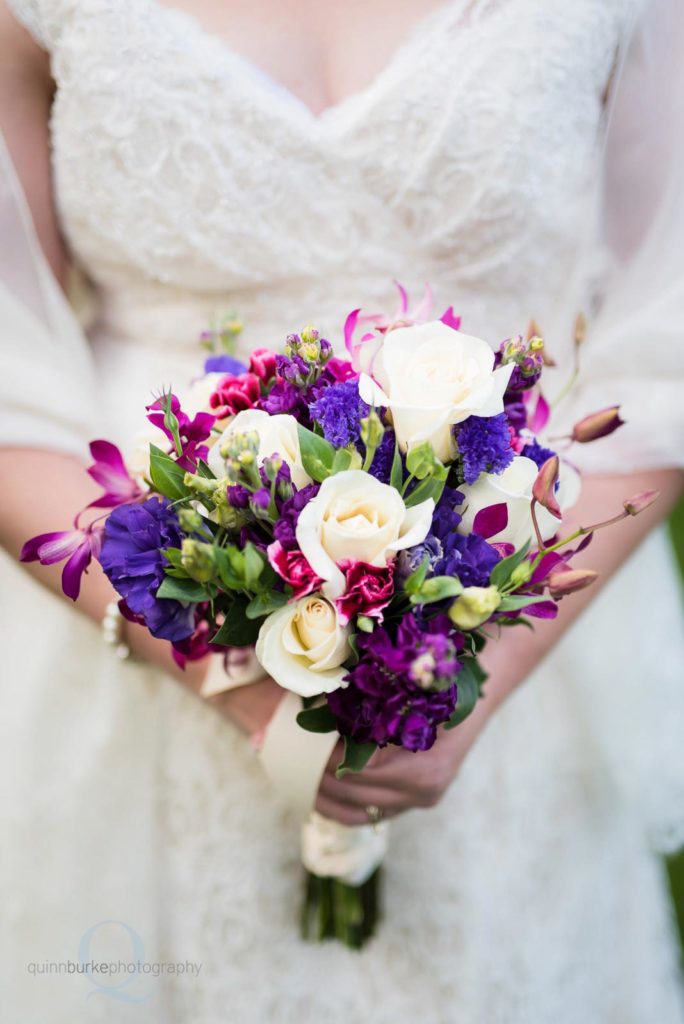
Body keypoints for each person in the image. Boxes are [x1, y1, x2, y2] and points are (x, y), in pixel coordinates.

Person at [1, 0, 683, 1020]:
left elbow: (660, 344)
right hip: (145, 651)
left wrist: (463, 687)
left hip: (510, 640)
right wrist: (233, 673)